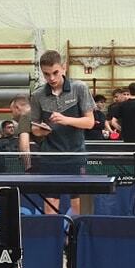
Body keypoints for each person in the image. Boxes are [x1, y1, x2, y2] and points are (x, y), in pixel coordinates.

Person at [29, 50, 96, 215]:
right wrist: (42, 131)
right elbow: (34, 129)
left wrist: (66, 120)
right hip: (50, 157)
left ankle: (78, 231)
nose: (51, 78)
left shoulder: (79, 88)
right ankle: (52, 232)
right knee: (50, 203)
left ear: (63, 68)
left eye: (55, 73)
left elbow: (90, 122)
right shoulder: (37, 95)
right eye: (46, 74)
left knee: (78, 204)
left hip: (75, 155)